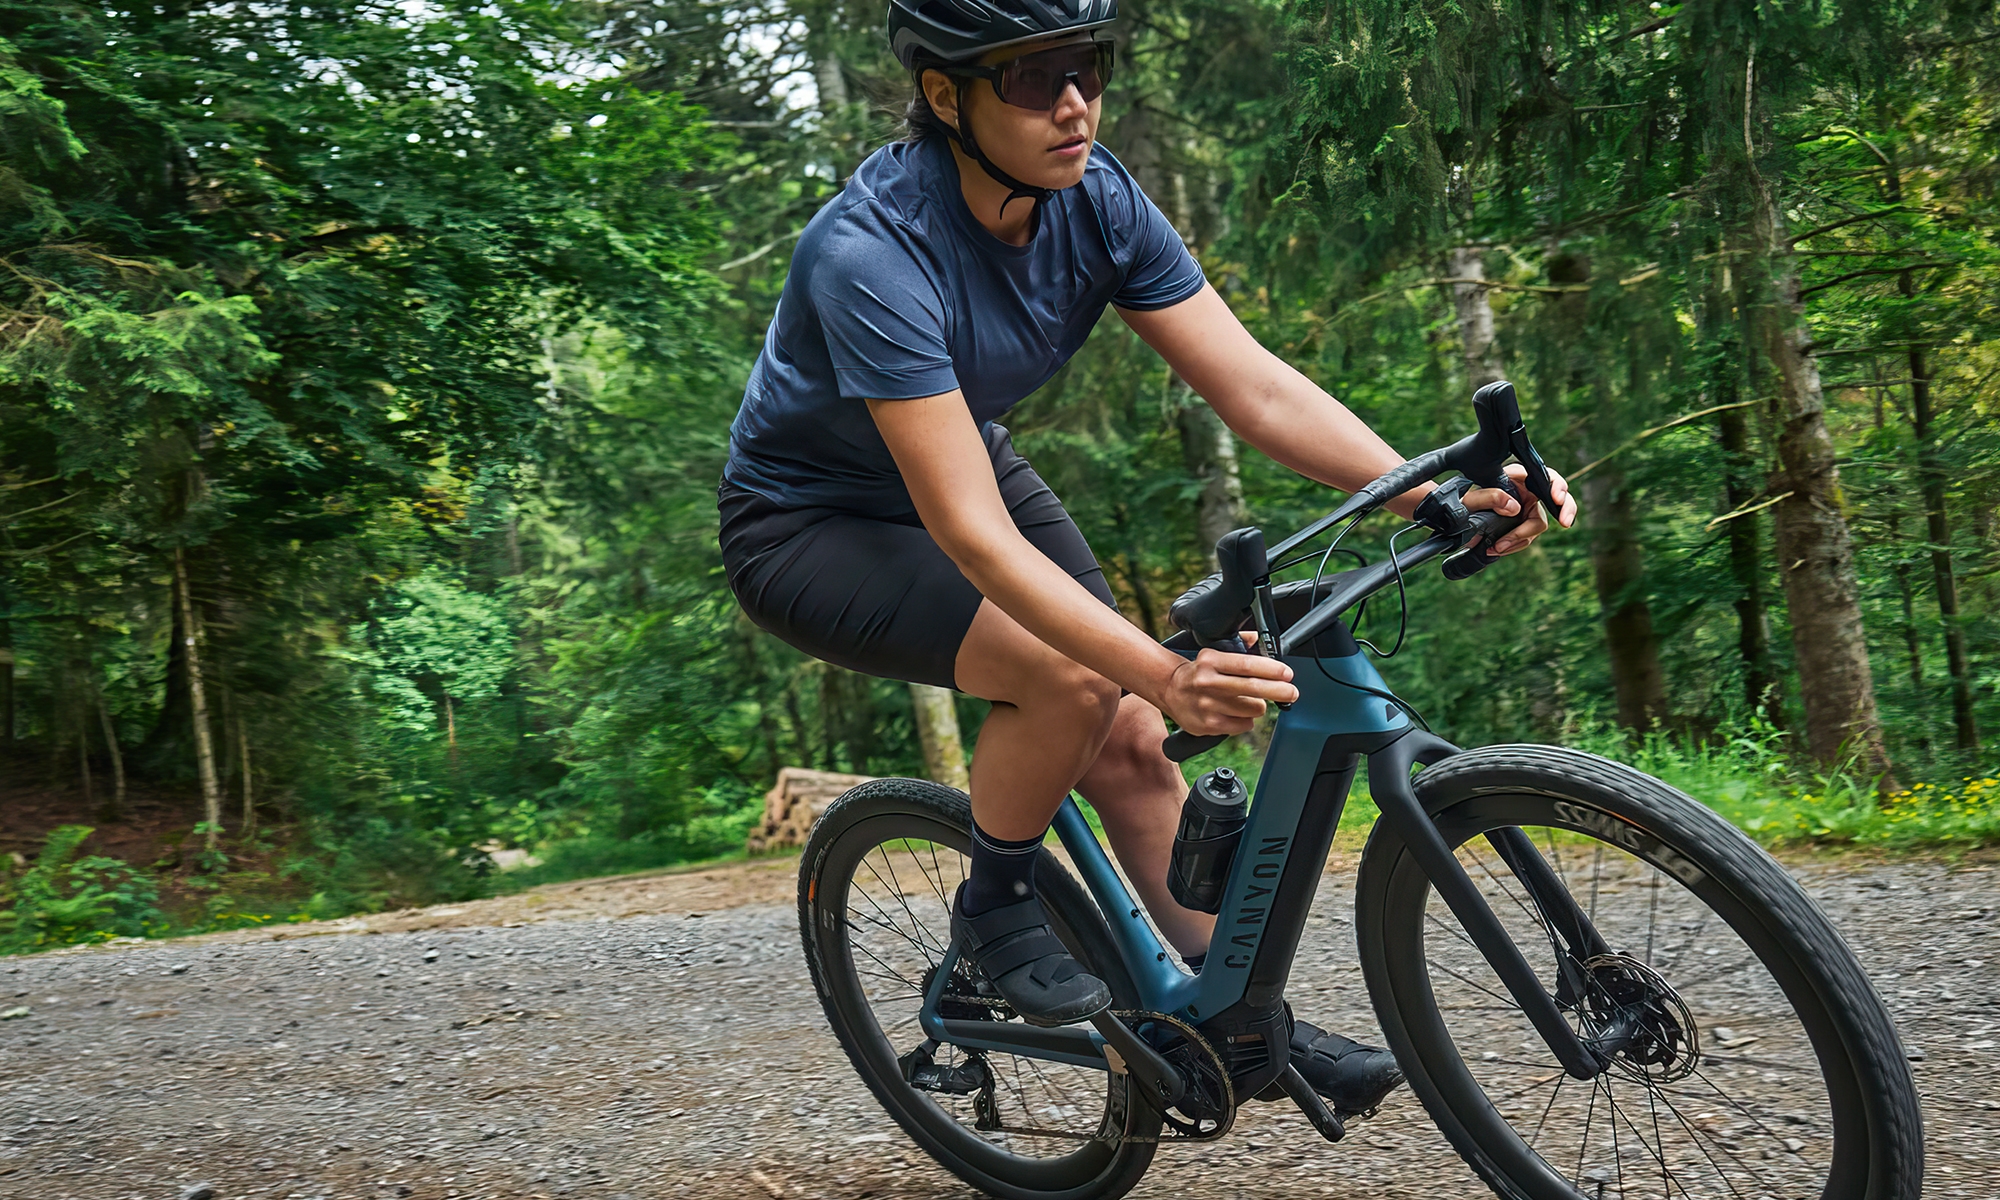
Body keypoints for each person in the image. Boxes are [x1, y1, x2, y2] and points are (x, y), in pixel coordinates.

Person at [719, 0, 1576, 1116]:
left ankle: (1233, 1013)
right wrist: (1166, 671)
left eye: (1088, 66)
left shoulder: (1096, 196)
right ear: (944, 96)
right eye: (1030, 78)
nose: (1072, 101)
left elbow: (1252, 384)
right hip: (809, 524)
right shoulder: (868, 251)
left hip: (960, 462)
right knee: (1076, 675)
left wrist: (1430, 493)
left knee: (1125, 735)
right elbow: (971, 536)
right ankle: (993, 901)